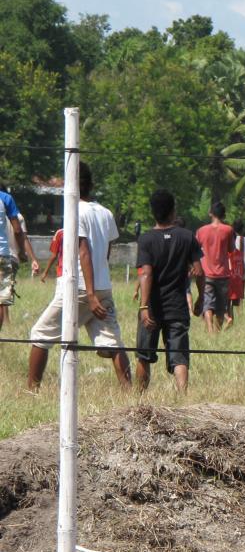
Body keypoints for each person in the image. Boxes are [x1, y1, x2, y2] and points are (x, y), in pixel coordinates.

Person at [27, 163, 131, 390]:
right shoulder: (105, 212)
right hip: (102, 286)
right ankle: (129, 392)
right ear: (91, 185)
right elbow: (106, 252)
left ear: (69, 185)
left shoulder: (74, 210)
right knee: (113, 343)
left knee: (40, 335)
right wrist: (97, 290)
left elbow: (84, 251)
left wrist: (90, 295)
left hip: (81, 288)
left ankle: (31, 390)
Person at [134, 190, 203, 393]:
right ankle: (182, 396)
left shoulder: (146, 240)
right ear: (173, 211)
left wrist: (144, 306)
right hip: (178, 306)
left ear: (153, 212)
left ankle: (140, 398)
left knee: (144, 355)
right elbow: (200, 271)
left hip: (152, 308)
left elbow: (146, 273)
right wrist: (200, 298)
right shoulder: (187, 237)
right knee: (179, 355)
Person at [0, 186, 38, 332]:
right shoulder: (6, 199)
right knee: (2, 300)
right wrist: (23, 253)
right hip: (3, 255)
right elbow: (18, 231)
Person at [194, 202, 236, 333]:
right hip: (223, 274)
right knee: (221, 306)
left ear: (210, 213)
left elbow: (195, 250)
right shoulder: (228, 230)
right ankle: (217, 332)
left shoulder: (201, 230)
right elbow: (231, 249)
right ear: (223, 214)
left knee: (208, 304)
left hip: (206, 273)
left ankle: (210, 331)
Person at [227, 221, 245, 324]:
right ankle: (232, 319)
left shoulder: (227, 253)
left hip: (230, 279)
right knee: (233, 302)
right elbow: (244, 265)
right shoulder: (239, 253)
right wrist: (244, 275)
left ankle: (228, 318)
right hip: (238, 279)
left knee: (227, 302)